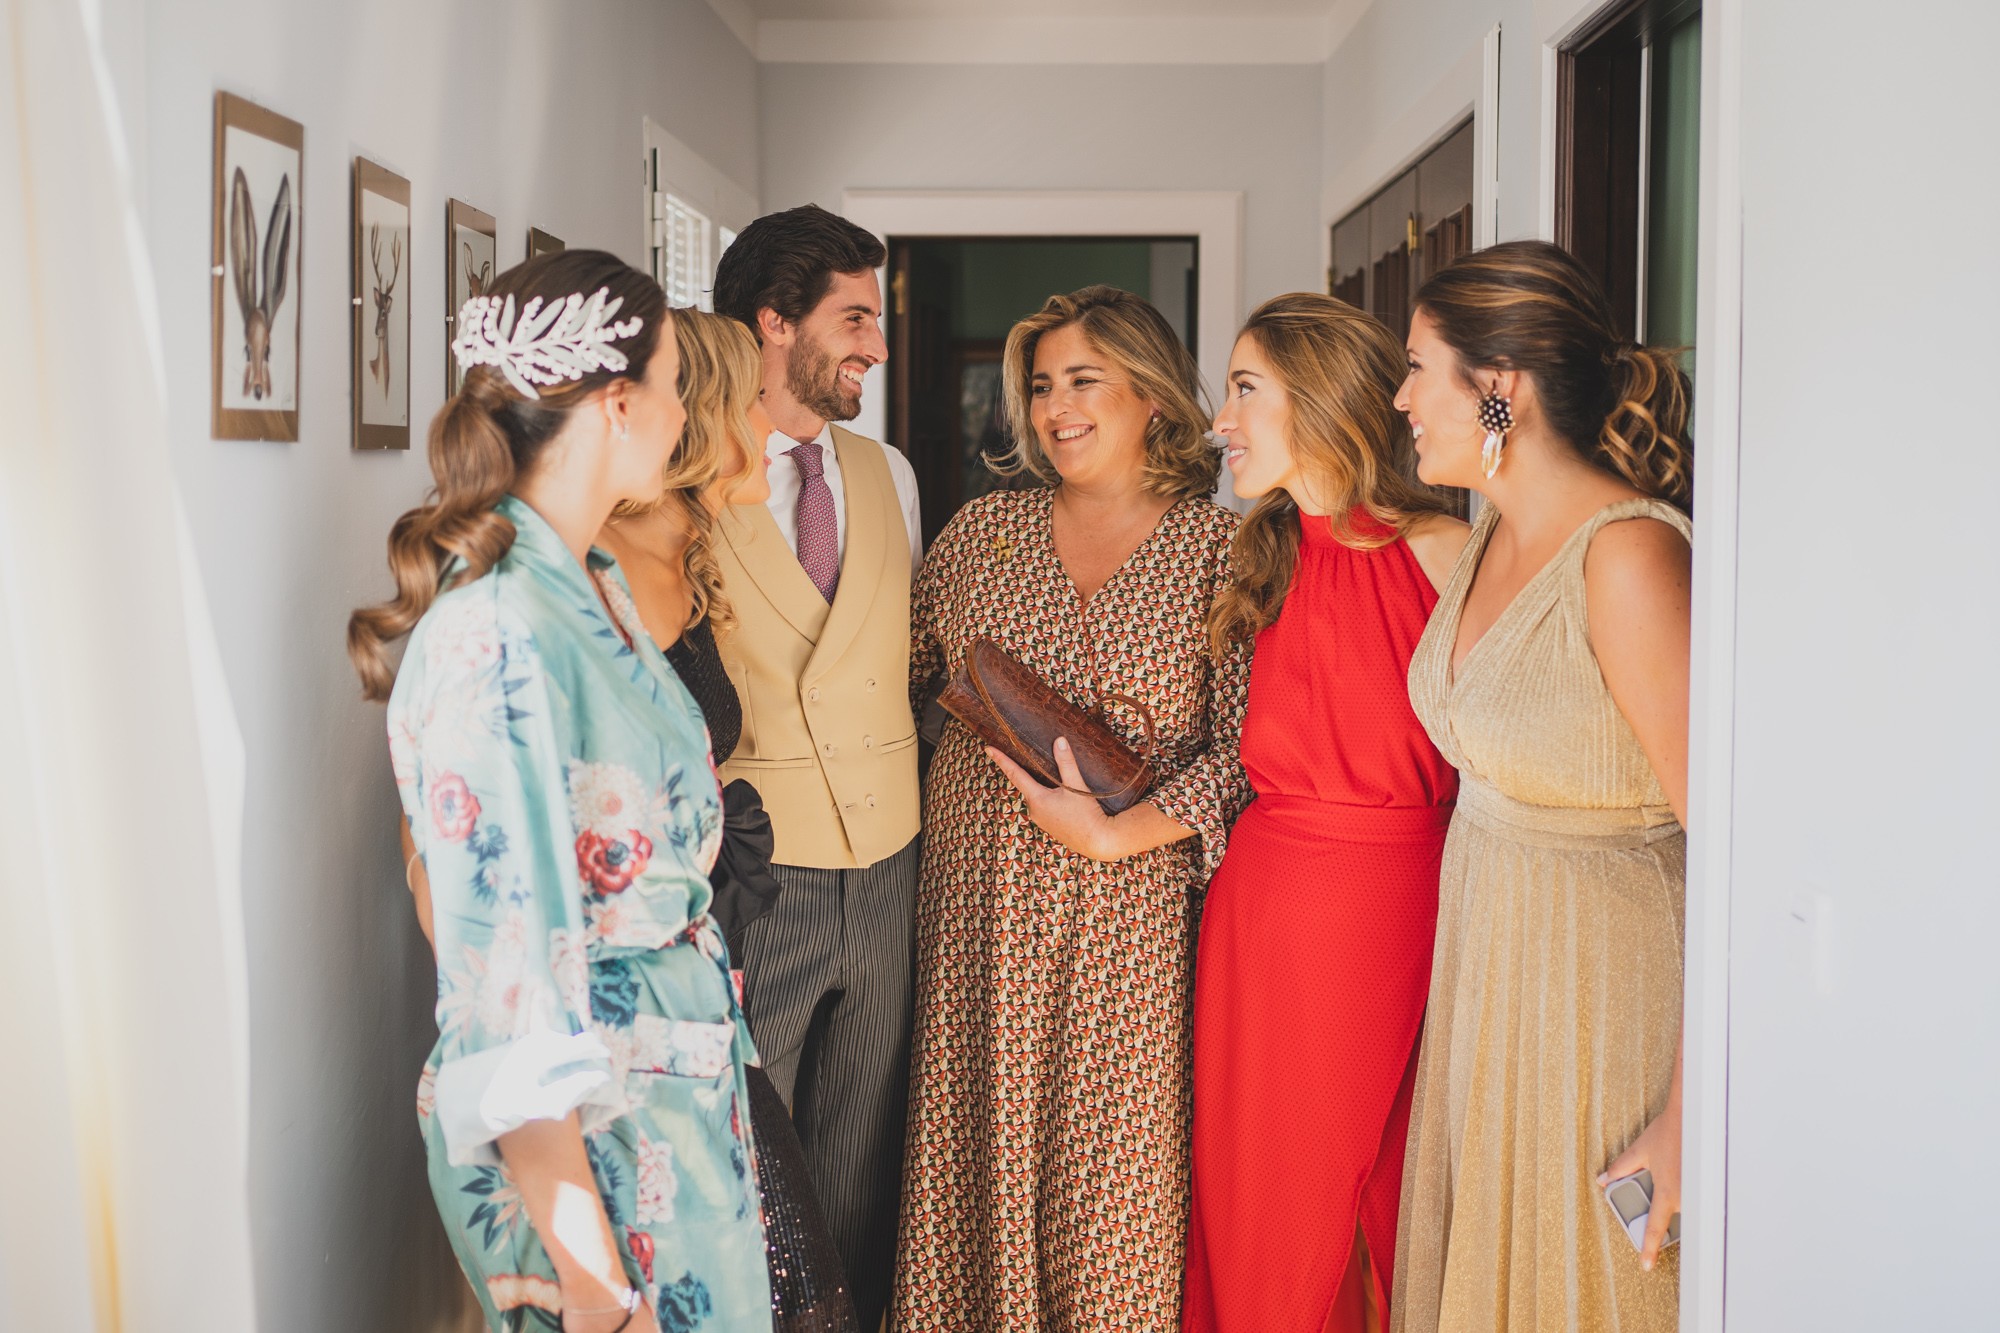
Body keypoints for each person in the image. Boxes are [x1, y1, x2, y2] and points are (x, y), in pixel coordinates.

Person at [348, 251, 769, 1332]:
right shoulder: (494, 632)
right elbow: (504, 984)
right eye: (677, 385)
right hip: (597, 1167)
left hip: (674, 1119)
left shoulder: (597, 582)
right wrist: (594, 1287)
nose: (687, 415)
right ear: (618, 403)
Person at [894, 286, 1251, 1332]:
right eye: (1042, 385)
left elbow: (1245, 753)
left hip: (1134, 926)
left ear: (1152, 395)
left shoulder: (1222, 551)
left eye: (1084, 381)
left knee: (1116, 1200)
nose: (1056, 408)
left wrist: (1116, 831)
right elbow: (903, 682)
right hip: (981, 915)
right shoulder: (981, 532)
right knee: (973, 1173)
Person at [1391, 240, 1694, 1333]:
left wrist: (1690, 1112)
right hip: (1490, 977)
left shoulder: (1627, 556)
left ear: (1499, 388)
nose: (1401, 398)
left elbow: (1736, 848)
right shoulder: (1487, 537)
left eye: (1416, 367)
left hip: (1603, 992)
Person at [1184, 294, 1470, 1333]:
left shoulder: (1444, 547)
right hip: (1258, 918)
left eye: (1243, 388)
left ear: (1320, 396)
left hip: (1398, 908)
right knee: (1258, 1202)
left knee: (1387, 1193)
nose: (1220, 420)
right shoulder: (1255, 557)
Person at [596, 307, 860, 1333]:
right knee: (771, 1277)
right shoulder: (602, 567)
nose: (776, 421)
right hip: (636, 1002)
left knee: (777, 1278)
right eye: (756, 399)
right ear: (702, 417)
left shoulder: (690, 551)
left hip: (710, 971)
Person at [709, 204, 924, 1331]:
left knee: (859, 1167)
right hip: (760, 872)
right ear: (774, 321)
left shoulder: (889, 475)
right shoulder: (688, 479)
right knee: (754, 1167)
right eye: (854, 319)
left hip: (890, 865)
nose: (876, 346)